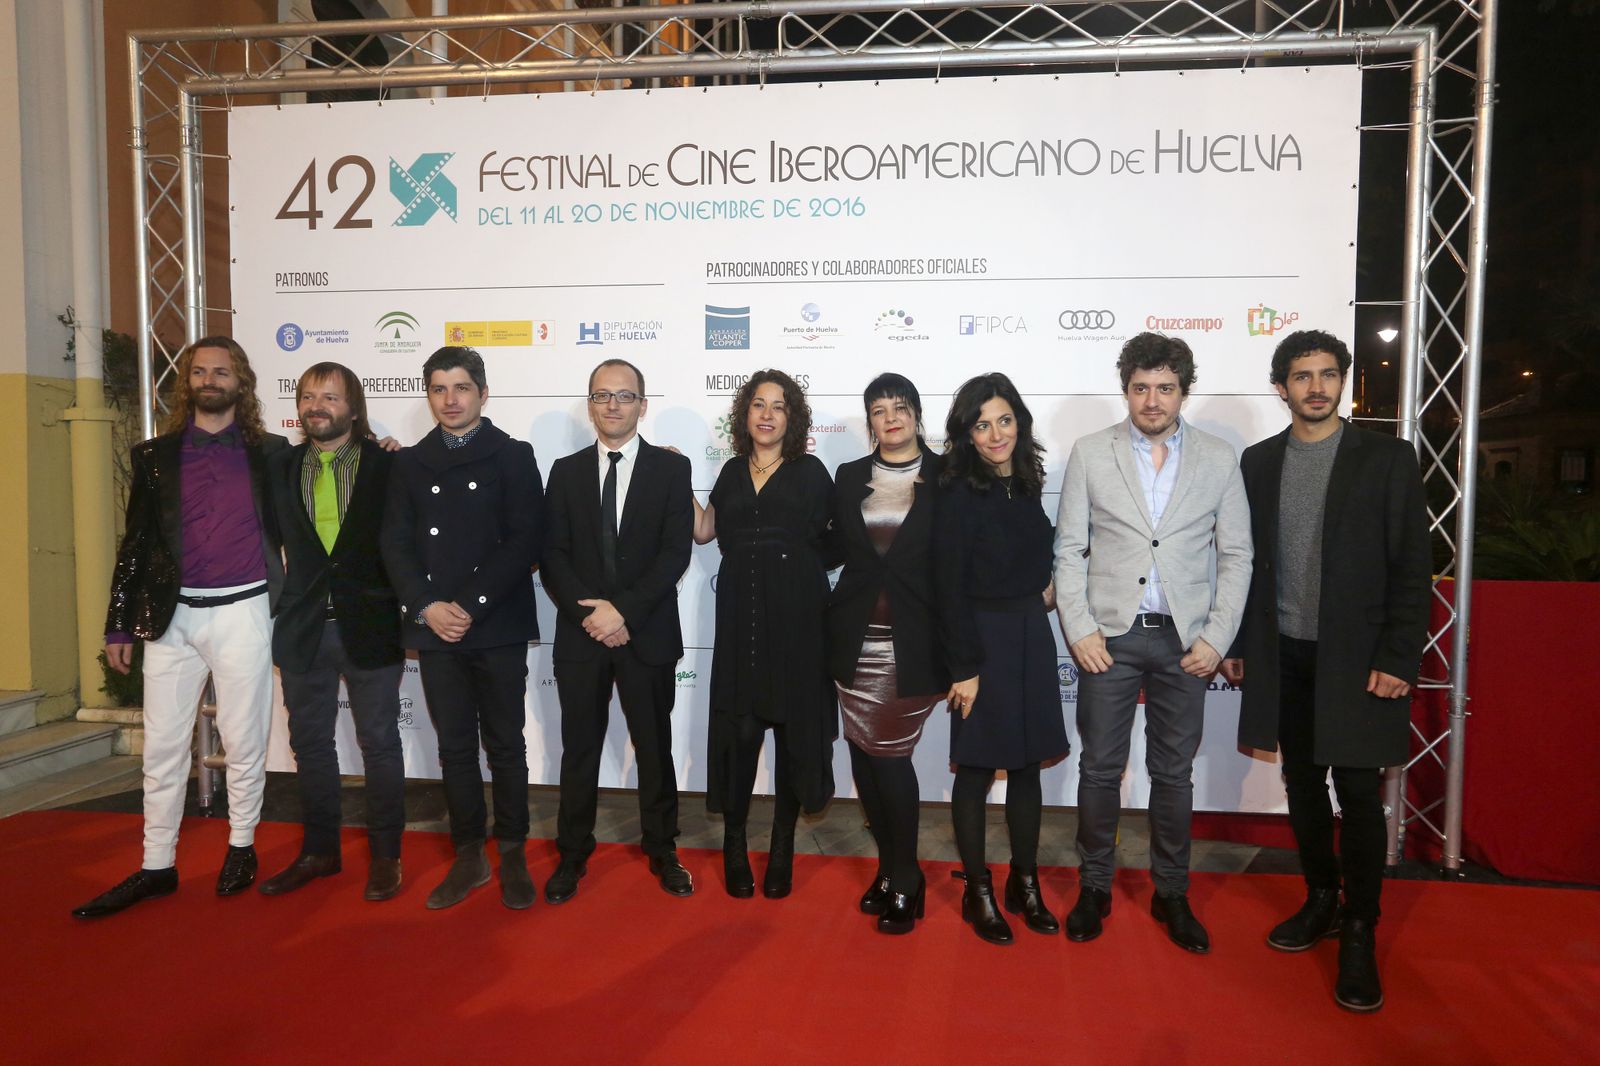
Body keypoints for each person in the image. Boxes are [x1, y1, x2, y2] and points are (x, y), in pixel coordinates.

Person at [1220, 330, 1431, 1013]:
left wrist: (1398, 657)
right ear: (1281, 387)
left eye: (1328, 374)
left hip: (1360, 658)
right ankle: (1321, 898)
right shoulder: (1257, 462)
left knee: (1360, 794)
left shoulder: (1387, 458)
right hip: (1284, 652)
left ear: (1345, 381)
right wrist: (1240, 641)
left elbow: (1412, 567)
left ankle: (1360, 926)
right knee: (1304, 783)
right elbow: (1245, 563)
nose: (1316, 387)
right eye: (1302, 376)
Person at [1053, 332, 1252, 953]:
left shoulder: (1218, 457)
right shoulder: (1092, 452)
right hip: (1108, 639)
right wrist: (1080, 628)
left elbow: (1237, 555)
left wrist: (1217, 637)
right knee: (1099, 769)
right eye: (1140, 387)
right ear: (1126, 390)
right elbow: (1069, 549)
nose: (1152, 400)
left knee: (1173, 774)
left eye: (1165, 387)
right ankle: (1094, 886)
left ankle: (1172, 892)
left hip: (1185, 644)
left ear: (1183, 391)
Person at [75, 337, 286, 918]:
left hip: (245, 611)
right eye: (199, 371)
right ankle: (156, 865)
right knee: (163, 746)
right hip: (171, 617)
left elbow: (331, 464)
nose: (209, 379)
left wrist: (381, 446)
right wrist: (118, 626)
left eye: (221, 371)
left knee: (244, 739)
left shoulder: (272, 453)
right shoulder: (153, 456)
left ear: (241, 382)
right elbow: (136, 546)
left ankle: (241, 846)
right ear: (186, 382)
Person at [381, 346, 543, 910]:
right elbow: (394, 543)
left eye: (461, 388)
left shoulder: (513, 455)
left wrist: (470, 604)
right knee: (453, 748)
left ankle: (514, 850)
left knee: (506, 744)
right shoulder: (408, 463)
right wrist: (426, 605)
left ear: (483, 394)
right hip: (434, 627)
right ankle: (469, 853)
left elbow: (525, 538)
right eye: (438, 389)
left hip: (495, 622)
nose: (450, 400)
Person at [541, 358, 695, 902]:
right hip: (581, 636)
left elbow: (675, 553)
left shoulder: (672, 470)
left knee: (654, 747)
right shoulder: (564, 471)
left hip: (646, 633)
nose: (613, 405)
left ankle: (663, 847)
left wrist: (621, 612)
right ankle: (572, 853)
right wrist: (594, 618)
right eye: (602, 395)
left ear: (642, 406)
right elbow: (552, 554)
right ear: (590, 405)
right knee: (579, 749)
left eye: (624, 395)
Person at [258, 362, 406, 902]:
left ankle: (386, 856)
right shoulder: (279, 466)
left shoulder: (388, 464)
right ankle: (319, 851)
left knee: (380, 745)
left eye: (330, 397)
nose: (316, 406)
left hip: (370, 624)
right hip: (303, 627)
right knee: (309, 745)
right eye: (307, 397)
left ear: (353, 407)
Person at [691, 369, 838, 900]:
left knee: (795, 741)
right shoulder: (731, 471)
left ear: (792, 417)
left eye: (779, 405)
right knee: (739, 738)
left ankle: (782, 850)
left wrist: (798, 568)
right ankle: (734, 848)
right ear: (745, 413)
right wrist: (671, 473)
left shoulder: (811, 472)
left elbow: (839, 539)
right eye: (758, 404)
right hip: (740, 624)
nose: (768, 414)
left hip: (798, 625)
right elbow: (704, 530)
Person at [935, 372, 1067, 945]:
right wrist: (964, 668)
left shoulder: (1028, 482)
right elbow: (947, 587)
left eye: (1004, 420)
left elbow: (1037, 556)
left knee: (1027, 766)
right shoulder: (956, 492)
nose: (996, 435)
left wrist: (1049, 584)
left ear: (1020, 421)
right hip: (980, 641)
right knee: (975, 769)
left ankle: (1025, 883)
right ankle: (978, 889)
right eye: (982, 425)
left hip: (1031, 635)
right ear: (967, 433)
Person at [828, 373, 947, 934]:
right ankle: (887, 870)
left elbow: (959, 560)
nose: (891, 418)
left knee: (890, 760)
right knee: (863, 757)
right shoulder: (849, 475)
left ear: (917, 413)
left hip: (913, 644)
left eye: (900, 407)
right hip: (853, 641)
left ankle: (907, 877)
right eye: (879, 410)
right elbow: (833, 546)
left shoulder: (948, 476)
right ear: (870, 421)